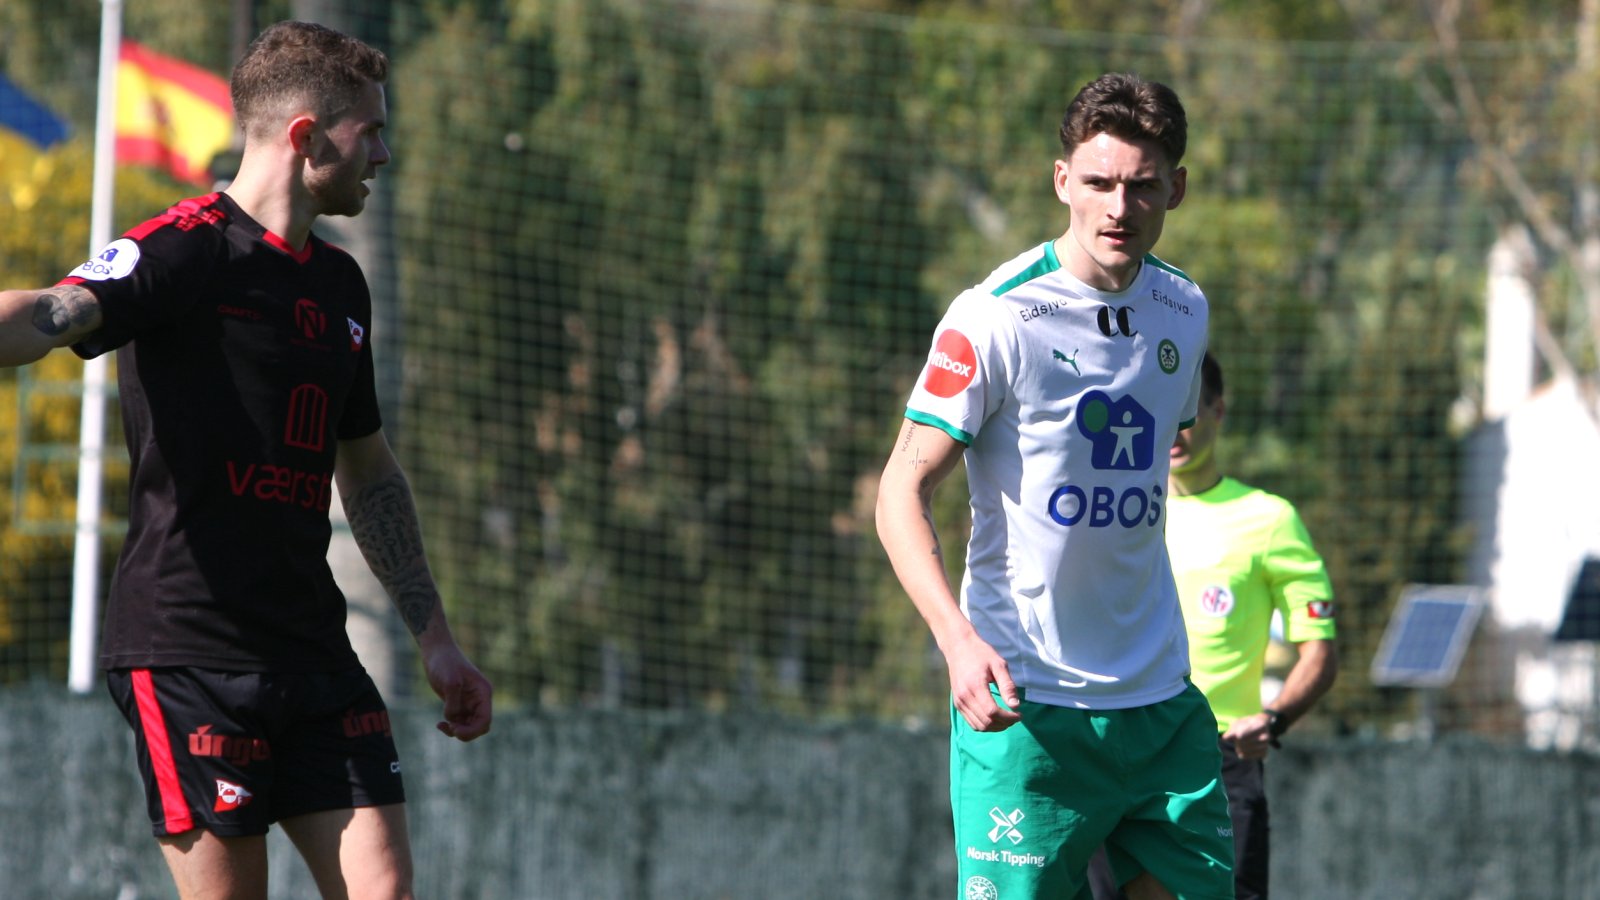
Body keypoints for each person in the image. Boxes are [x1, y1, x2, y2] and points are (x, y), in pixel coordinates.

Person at [0, 21, 492, 899]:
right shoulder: (180, 248)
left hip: (314, 650)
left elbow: (369, 472)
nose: (383, 154)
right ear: (307, 136)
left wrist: (438, 641)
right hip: (188, 654)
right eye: (371, 131)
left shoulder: (341, 285)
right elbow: (50, 312)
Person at [875, 72, 1232, 900]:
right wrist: (956, 640)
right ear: (1062, 180)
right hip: (1026, 704)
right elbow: (899, 490)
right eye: (1099, 183)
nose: (1119, 207)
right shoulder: (994, 316)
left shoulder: (1183, 309)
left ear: (1176, 189)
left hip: (1160, 706)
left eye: (1143, 186)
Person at [1089, 352, 1339, 900]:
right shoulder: (1109, 513)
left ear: (1217, 411)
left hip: (1220, 754)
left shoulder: (1269, 519)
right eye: (1161, 410)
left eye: (1188, 410)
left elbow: (1319, 653)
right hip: (1120, 746)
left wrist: (1273, 719)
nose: (1174, 427)